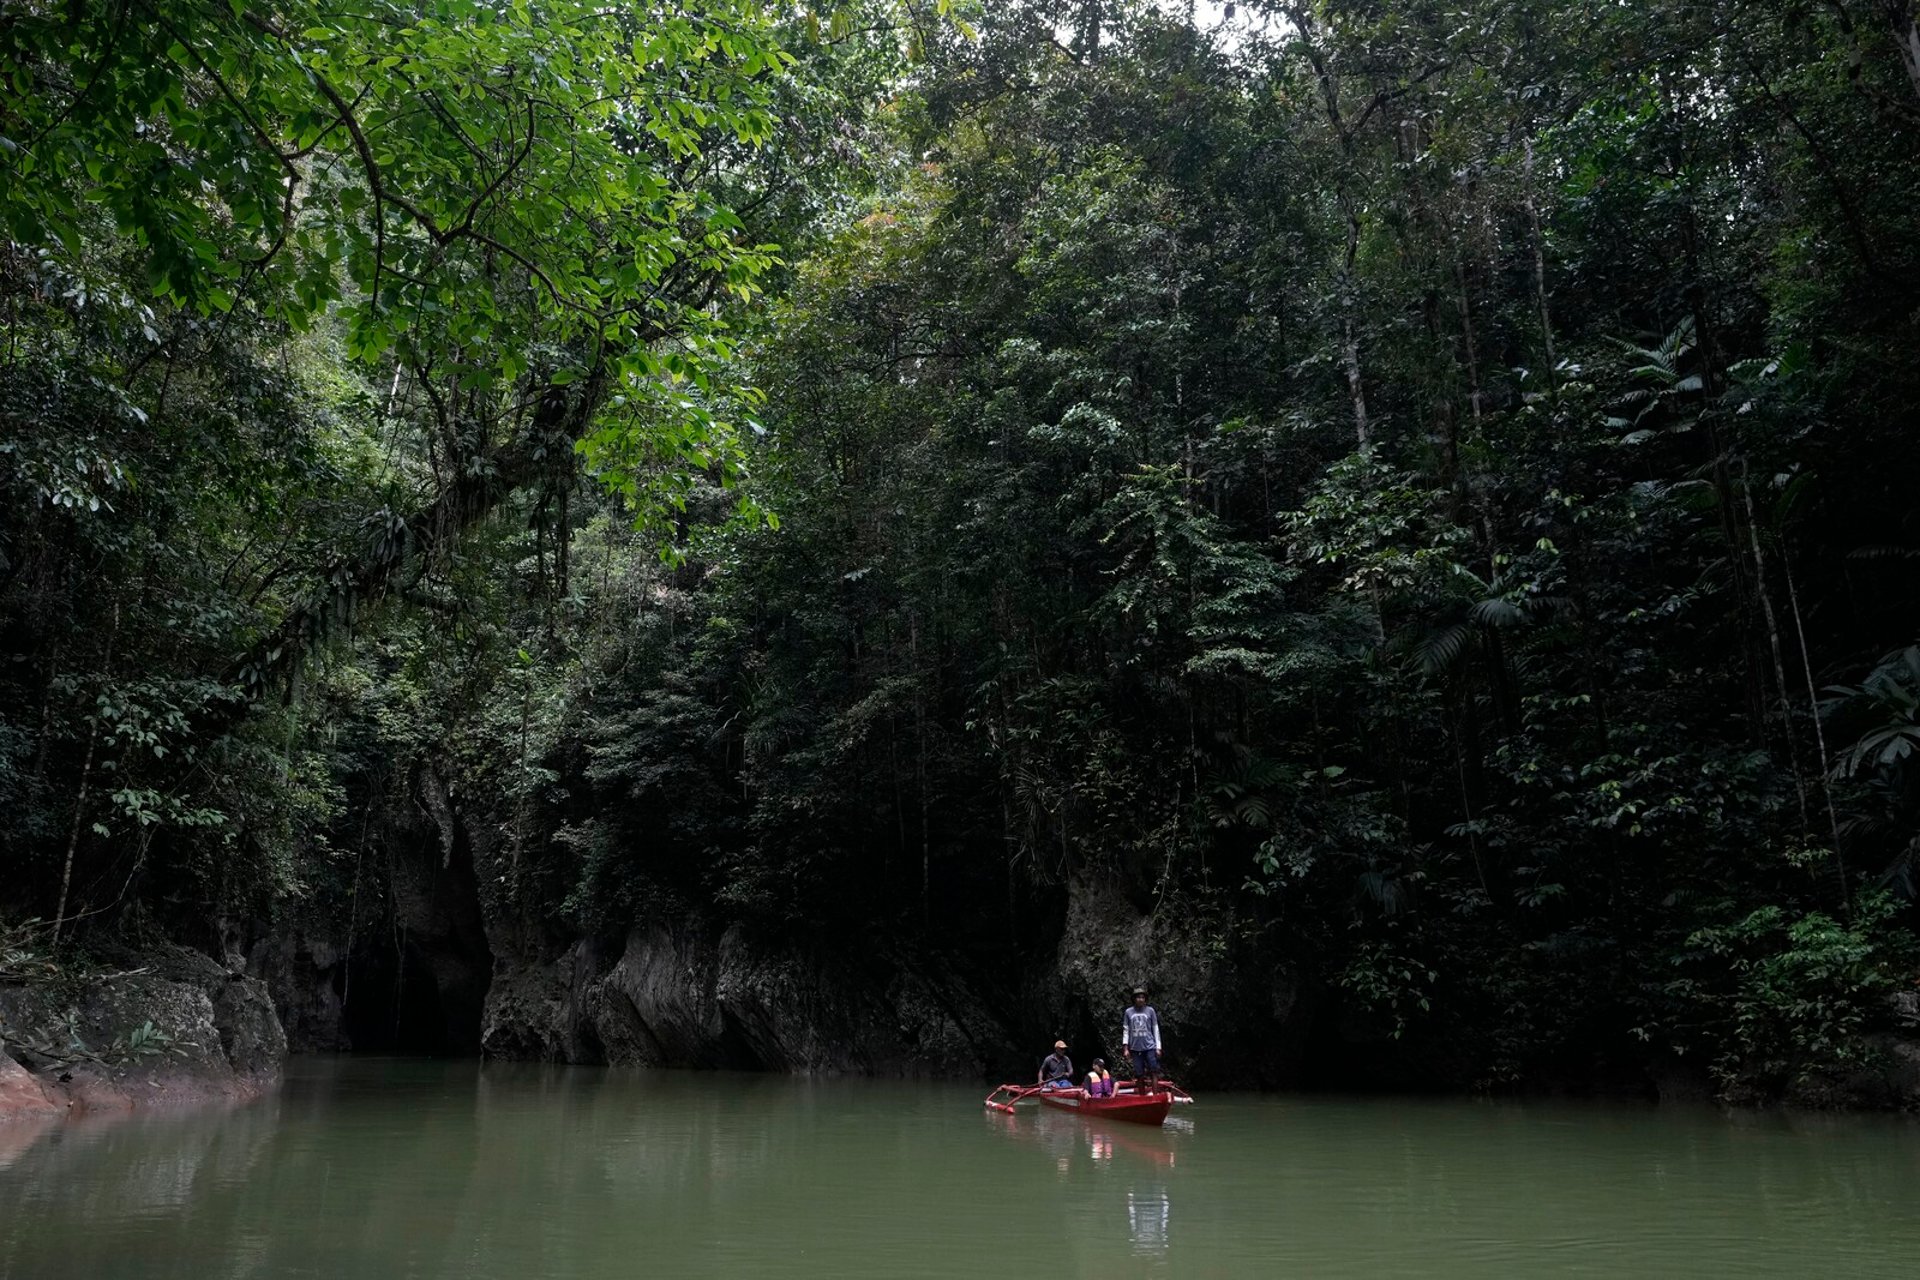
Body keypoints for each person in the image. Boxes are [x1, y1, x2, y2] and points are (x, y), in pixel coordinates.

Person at [1121, 987, 1162, 1087]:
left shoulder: (1150, 1011)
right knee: (1139, 1074)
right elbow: (1126, 1030)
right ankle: (1142, 1096)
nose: (1140, 999)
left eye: (1142, 997)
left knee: (1153, 1071)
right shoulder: (1128, 1012)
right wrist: (1126, 1048)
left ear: (1145, 999)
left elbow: (1155, 1029)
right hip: (1135, 1048)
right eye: (1138, 997)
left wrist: (1158, 1047)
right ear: (1134, 999)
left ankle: (1155, 1096)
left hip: (1149, 1046)